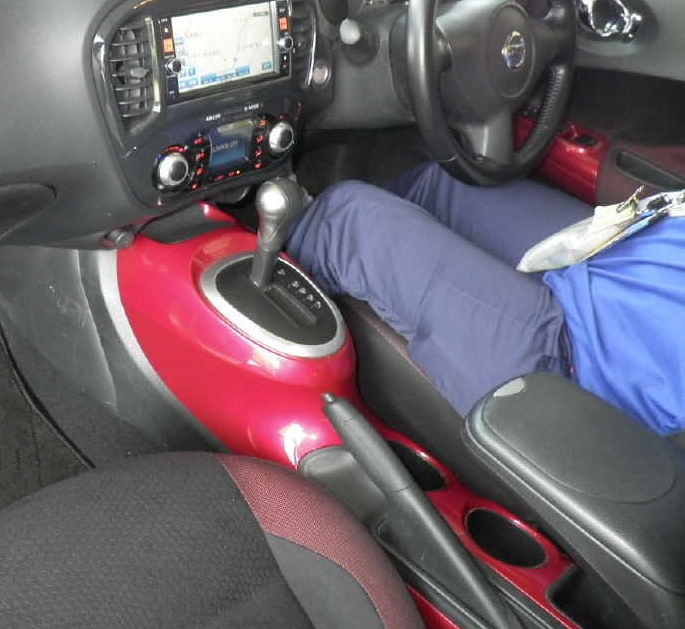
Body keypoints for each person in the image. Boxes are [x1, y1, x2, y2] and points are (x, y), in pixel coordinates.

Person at [286, 162, 685, 438]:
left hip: (573, 362)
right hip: (609, 253)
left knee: (345, 222)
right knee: (441, 182)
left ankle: (270, 299)